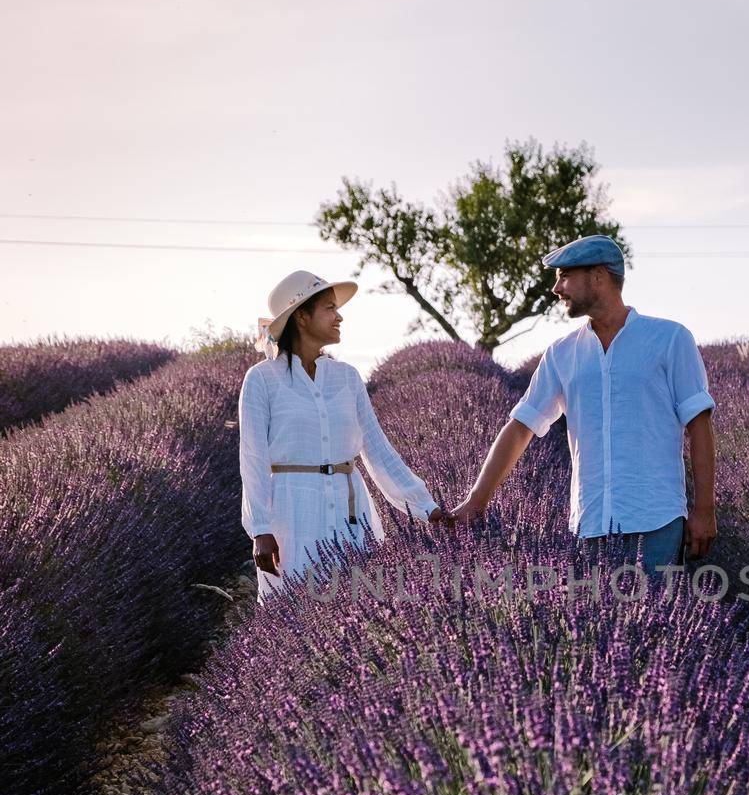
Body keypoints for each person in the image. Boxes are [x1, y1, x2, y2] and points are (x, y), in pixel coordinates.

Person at [450, 236, 716, 577]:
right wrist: (477, 500)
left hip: (656, 523)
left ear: (598, 276)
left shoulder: (669, 339)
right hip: (590, 526)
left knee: (654, 626)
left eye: (564, 276)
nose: (556, 288)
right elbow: (520, 428)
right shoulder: (561, 353)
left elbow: (699, 425)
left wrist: (704, 509)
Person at [239, 269, 448, 603]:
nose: (339, 316)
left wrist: (426, 507)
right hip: (293, 511)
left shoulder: (347, 378)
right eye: (329, 308)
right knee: (296, 609)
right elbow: (252, 459)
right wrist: (260, 528)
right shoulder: (262, 379)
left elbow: (379, 452)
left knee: (357, 607)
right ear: (302, 317)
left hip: (350, 508)